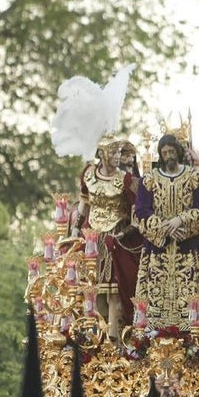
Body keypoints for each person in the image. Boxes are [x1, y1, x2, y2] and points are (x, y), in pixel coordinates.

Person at [133, 133, 199, 332]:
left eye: (171, 151)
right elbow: (140, 212)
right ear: (160, 155)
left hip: (187, 248)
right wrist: (165, 228)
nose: (168, 155)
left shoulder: (195, 177)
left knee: (191, 293)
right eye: (164, 152)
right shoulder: (149, 180)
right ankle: (154, 335)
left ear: (178, 151)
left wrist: (181, 221)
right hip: (158, 248)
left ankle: (192, 334)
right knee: (155, 294)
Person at [70, 137, 142, 337]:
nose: (117, 156)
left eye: (119, 152)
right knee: (91, 288)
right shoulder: (88, 175)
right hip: (91, 235)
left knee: (115, 290)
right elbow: (84, 202)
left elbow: (136, 216)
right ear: (101, 154)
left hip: (116, 237)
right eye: (113, 152)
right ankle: (94, 336)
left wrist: (125, 232)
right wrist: (76, 227)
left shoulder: (126, 180)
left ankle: (114, 337)